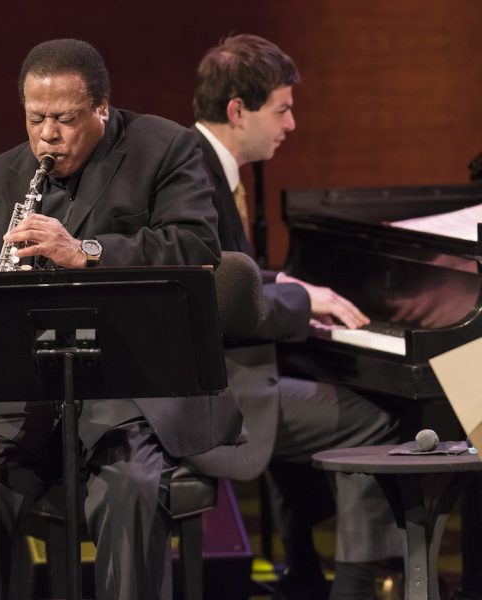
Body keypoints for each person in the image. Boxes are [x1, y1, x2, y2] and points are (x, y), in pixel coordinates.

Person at [0, 38, 243, 600]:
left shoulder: (164, 147)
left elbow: (198, 244)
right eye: (35, 119)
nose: (47, 136)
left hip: (131, 394)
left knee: (129, 491)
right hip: (26, 397)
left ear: (102, 106)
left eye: (65, 119)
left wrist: (87, 251)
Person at [186, 34, 402, 600]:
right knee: (376, 419)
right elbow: (225, 303)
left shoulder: (203, 165)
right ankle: (357, 585)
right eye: (282, 109)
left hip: (222, 371)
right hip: (211, 391)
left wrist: (288, 283)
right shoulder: (197, 180)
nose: (292, 124)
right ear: (238, 110)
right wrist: (306, 302)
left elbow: (236, 276)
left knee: (313, 385)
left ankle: (303, 571)